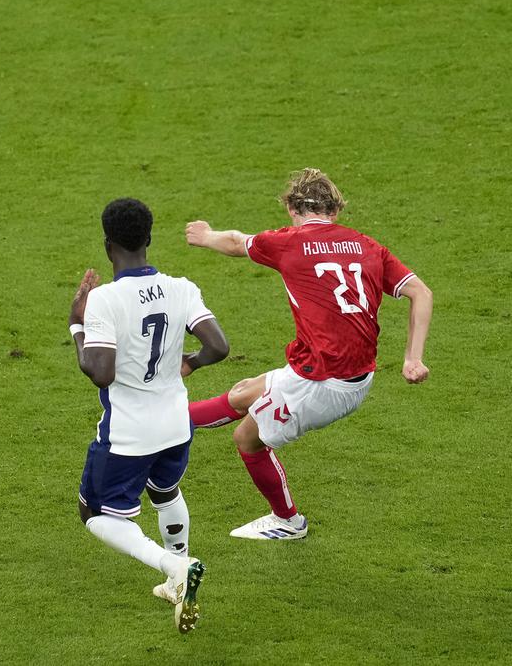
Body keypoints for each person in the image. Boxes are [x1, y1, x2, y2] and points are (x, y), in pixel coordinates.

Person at [185, 168, 433, 540]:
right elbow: (421, 292)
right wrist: (412, 358)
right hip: (342, 373)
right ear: (336, 210)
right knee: (243, 393)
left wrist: (205, 237)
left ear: (291, 208)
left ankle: (288, 521)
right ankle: (165, 421)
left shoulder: (288, 242)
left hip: (324, 382)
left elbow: (238, 243)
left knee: (247, 439)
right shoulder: (367, 245)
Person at [70, 198, 230, 633]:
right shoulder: (182, 287)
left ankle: (175, 566)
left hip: (128, 435)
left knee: (97, 515)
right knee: (165, 492)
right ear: (149, 239)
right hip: (177, 424)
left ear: (108, 246)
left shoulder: (104, 298)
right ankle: (174, 580)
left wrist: (77, 327)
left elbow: (100, 374)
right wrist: (192, 363)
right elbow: (219, 346)